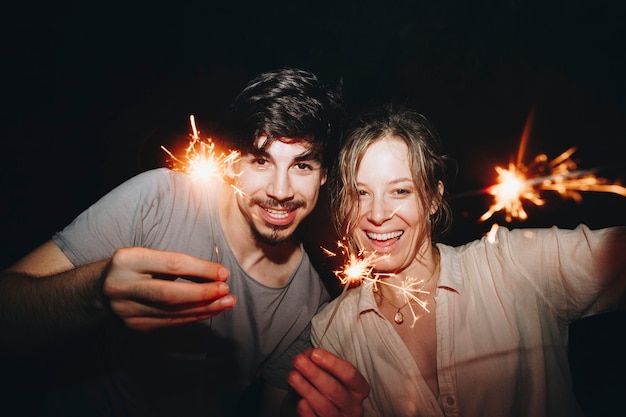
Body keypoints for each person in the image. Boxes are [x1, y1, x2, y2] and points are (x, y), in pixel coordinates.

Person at [0, 68, 363, 417]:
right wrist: (95, 291)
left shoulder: (311, 306)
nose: (280, 191)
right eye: (261, 161)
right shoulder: (158, 198)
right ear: (234, 161)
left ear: (324, 175)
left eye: (302, 165)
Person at [288, 105, 626, 417]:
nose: (377, 214)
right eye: (361, 193)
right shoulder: (332, 332)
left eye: (400, 191)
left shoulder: (511, 264)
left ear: (433, 199)